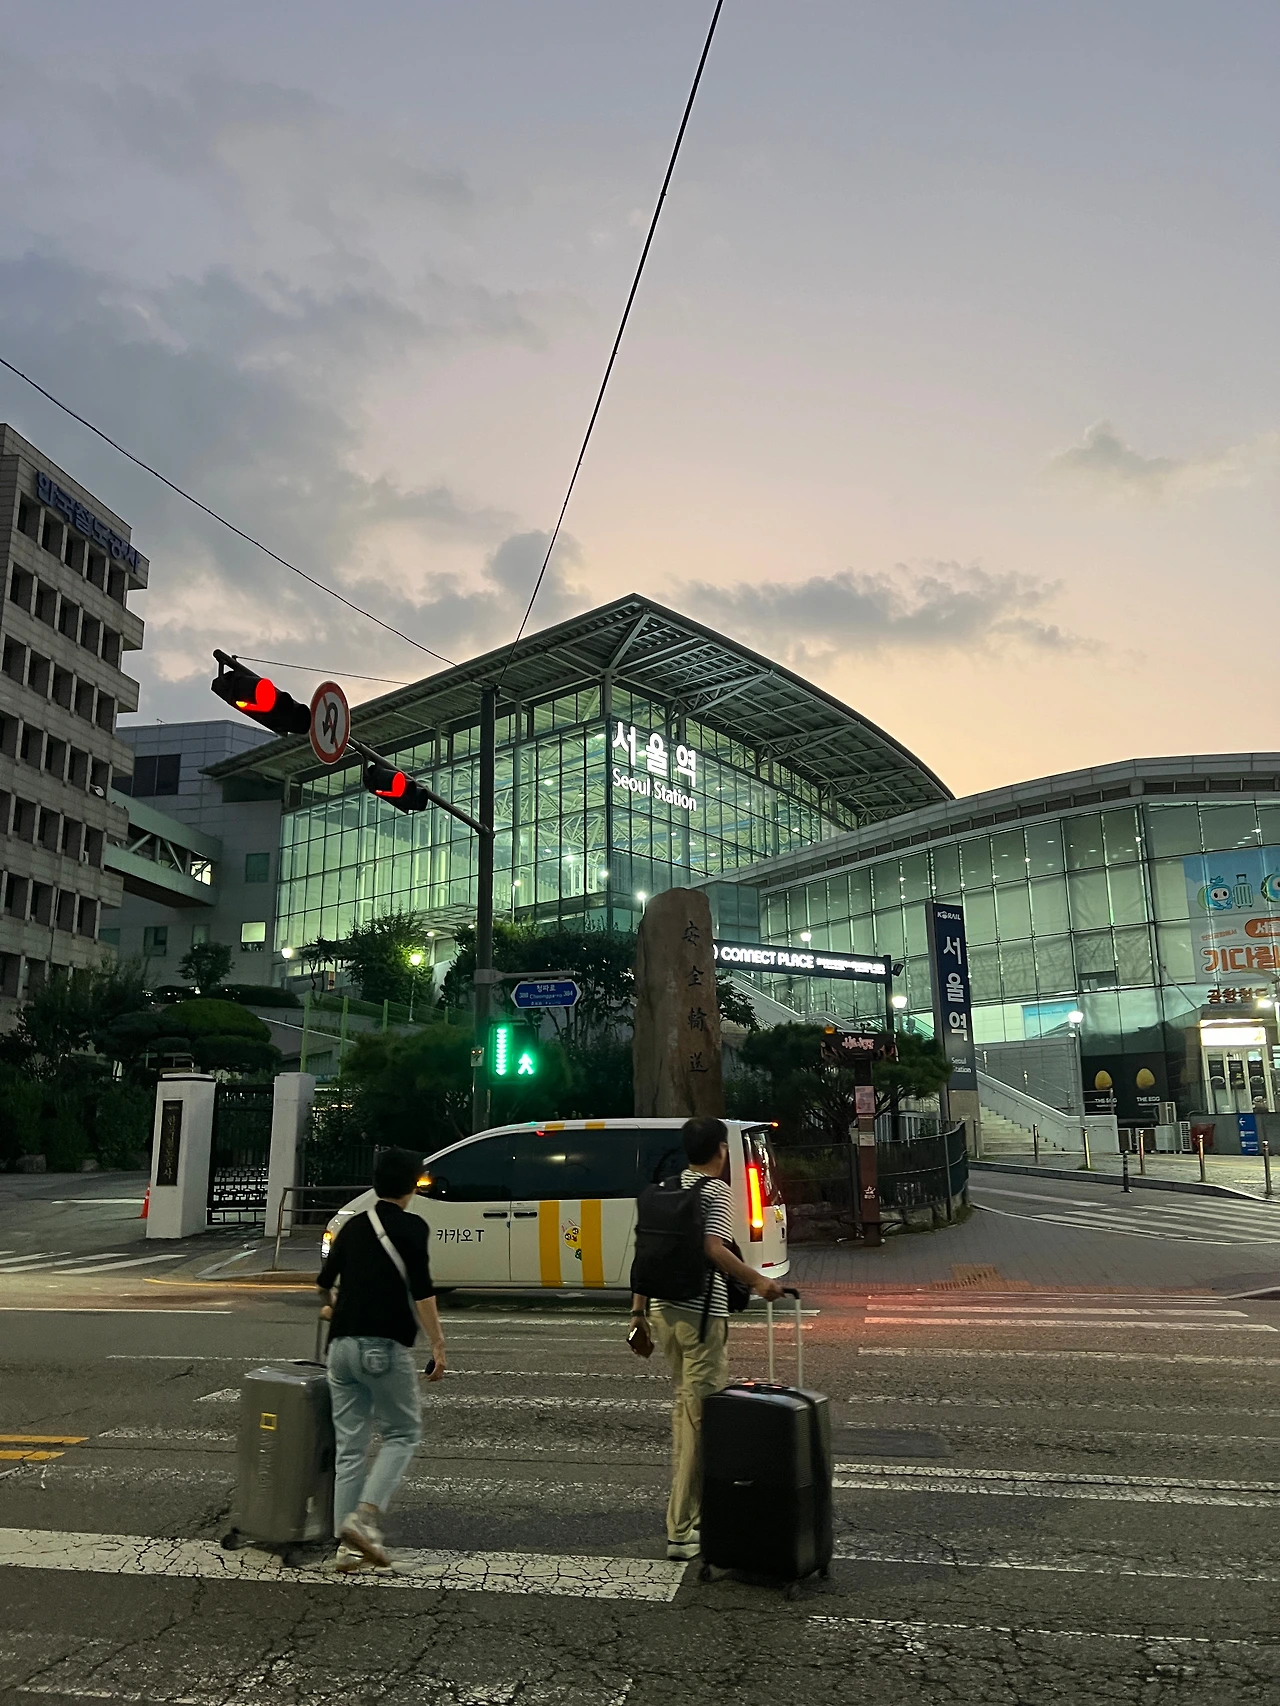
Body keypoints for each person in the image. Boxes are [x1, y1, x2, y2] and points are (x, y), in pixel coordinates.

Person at [629, 1116, 783, 1561]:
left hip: (663, 1313)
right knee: (700, 1421)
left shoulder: (667, 1188)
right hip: (701, 1317)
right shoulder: (715, 1191)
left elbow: (646, 1253)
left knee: (686, 1411)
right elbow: (713, 1248)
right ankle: (682, 1528)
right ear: (720, 1149)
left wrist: (637, 1313)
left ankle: (693, 1515)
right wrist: (758, 1281)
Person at [316, 1146, 446, 1573]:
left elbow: (324, 1283)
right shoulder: (412, 1227)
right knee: (402, 1433)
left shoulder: (354, 1226)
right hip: (382, 1347)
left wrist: (333, 1307)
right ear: (411, 1186)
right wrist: (438, 1345)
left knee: (350, 1449)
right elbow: (422, 1290)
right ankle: (365, 1518)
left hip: (340, 1349)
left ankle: (347, 1547)